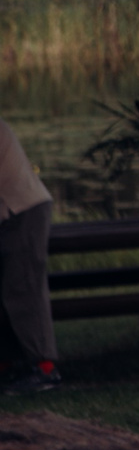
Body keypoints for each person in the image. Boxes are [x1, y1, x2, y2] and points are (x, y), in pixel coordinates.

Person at [0, 117, 60, 397]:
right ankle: (9, 363)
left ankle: (45, 368)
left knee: (23, 287)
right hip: (9, 212)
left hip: (22, 209)